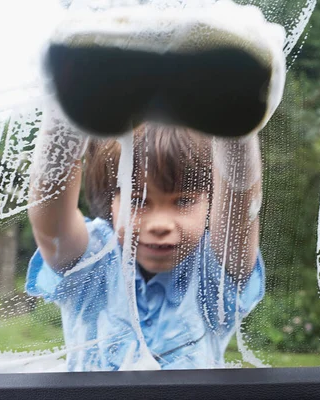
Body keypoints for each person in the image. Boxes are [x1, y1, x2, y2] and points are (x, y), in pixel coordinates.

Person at [25, 99, 265, 371]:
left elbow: (242, 206)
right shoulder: (95, 260)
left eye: (183, 200)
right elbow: (50, 216)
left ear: (212, 202)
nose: (160, 224)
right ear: (110, 202)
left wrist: (235, 105)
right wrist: (66, 108)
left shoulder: (212, 272)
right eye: (136, 199)